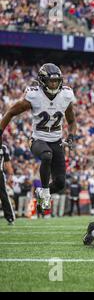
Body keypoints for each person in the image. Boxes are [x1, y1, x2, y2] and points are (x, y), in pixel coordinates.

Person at [0, 63, 77, 214]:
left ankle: (41, 193)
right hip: (38, 140)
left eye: (56, 81)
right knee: (46, 155)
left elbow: (72, 121)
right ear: (42, 81)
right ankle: (45, 194)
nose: (54, 84)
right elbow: (10, 113)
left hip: (56, 141)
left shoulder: (66, 95)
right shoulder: (34, 96)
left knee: (61, 183)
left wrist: (71, 136)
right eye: (51, 81)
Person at [0, 144, 15, 224]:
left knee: (4, 195)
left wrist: (10, 176)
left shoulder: (3, 147)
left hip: (0, 174)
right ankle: (10, 217)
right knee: (4, 195)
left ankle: (10, 217)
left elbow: (8, 163)